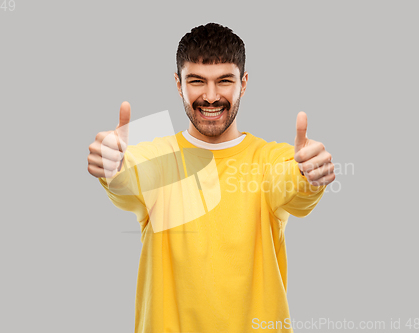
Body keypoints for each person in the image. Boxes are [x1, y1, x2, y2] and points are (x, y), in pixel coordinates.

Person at [87, 22, 335, 333]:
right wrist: (113, 166)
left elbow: (291, 186)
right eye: (196, 81)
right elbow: (131, 177)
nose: (211, 96)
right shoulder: (158, 157)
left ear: (243, 83)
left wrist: (309, 174)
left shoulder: (272, 158)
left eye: (224, 81)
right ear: (178, 84)